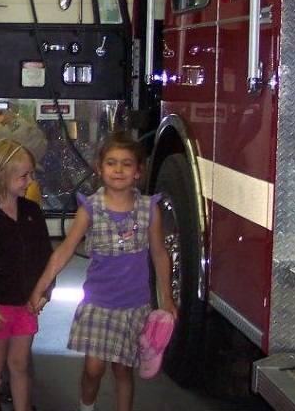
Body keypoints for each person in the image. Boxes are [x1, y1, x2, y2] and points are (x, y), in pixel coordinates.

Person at [28, 131, 177, 411]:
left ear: (138, 171)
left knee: (123, 370)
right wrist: (40, 288)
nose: (118, 169)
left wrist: (168, 299)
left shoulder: (149, 210)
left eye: (126, 163)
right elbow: (63, 251)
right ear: (99, 168)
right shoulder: (90, 209)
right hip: (98, 305)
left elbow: (159, 254)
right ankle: (87, 406)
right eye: (111, 163)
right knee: (93, 369)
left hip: (134, 307)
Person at [0, 139, 54, 411]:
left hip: (27, 304)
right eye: (23, 176)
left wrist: (45, 292)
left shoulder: (31, 211)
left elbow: (46, 257)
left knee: (20, 364)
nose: (29, 181)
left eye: (31, 174)